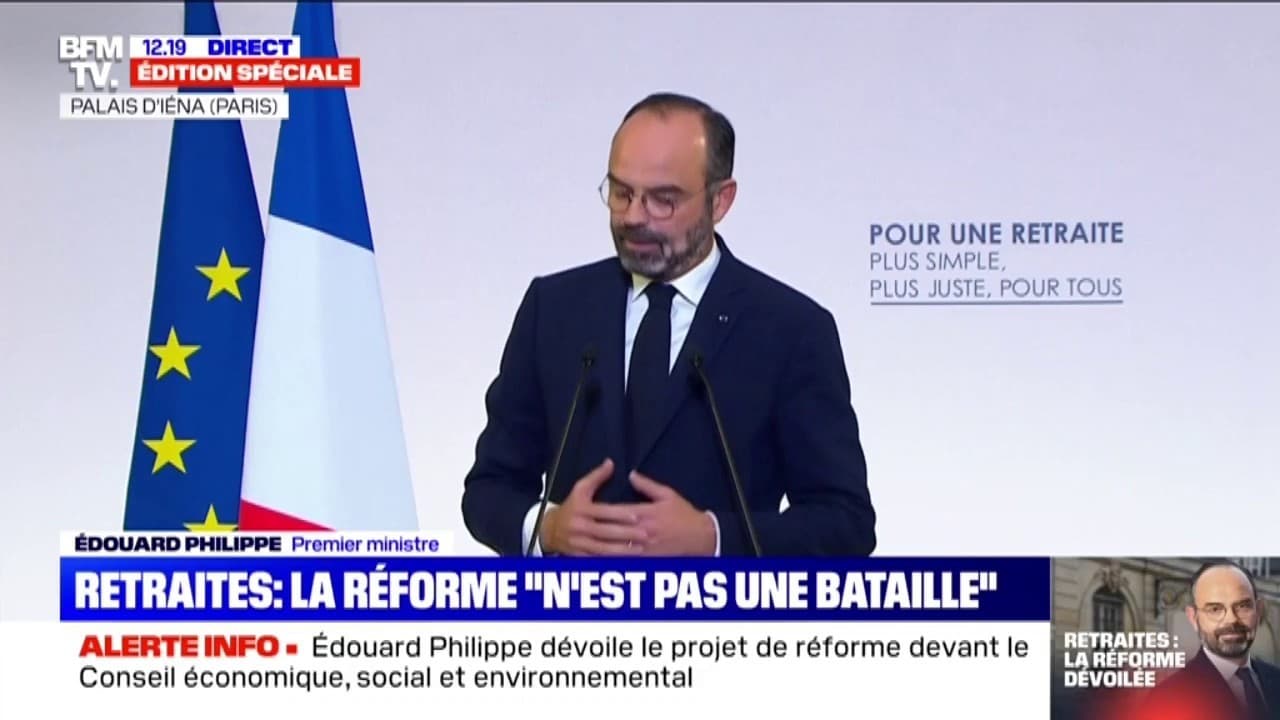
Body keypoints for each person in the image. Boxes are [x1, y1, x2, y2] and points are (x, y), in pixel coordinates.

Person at [460, 91, 874, 557]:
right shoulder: (553, 309)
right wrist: (548, 528)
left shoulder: (791, 330)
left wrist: (714, 538)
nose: (634, 217)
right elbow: (488, 489)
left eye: (663, 200)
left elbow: (846, 523)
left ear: (720, 201)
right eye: (621, 193)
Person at [1137, 561, 1280, 720]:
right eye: (1215, 609)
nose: (1231, 619)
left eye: (1242, 606)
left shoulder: (1276, 679)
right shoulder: (1166, 698)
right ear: (1193, 618)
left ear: (1258, 610)